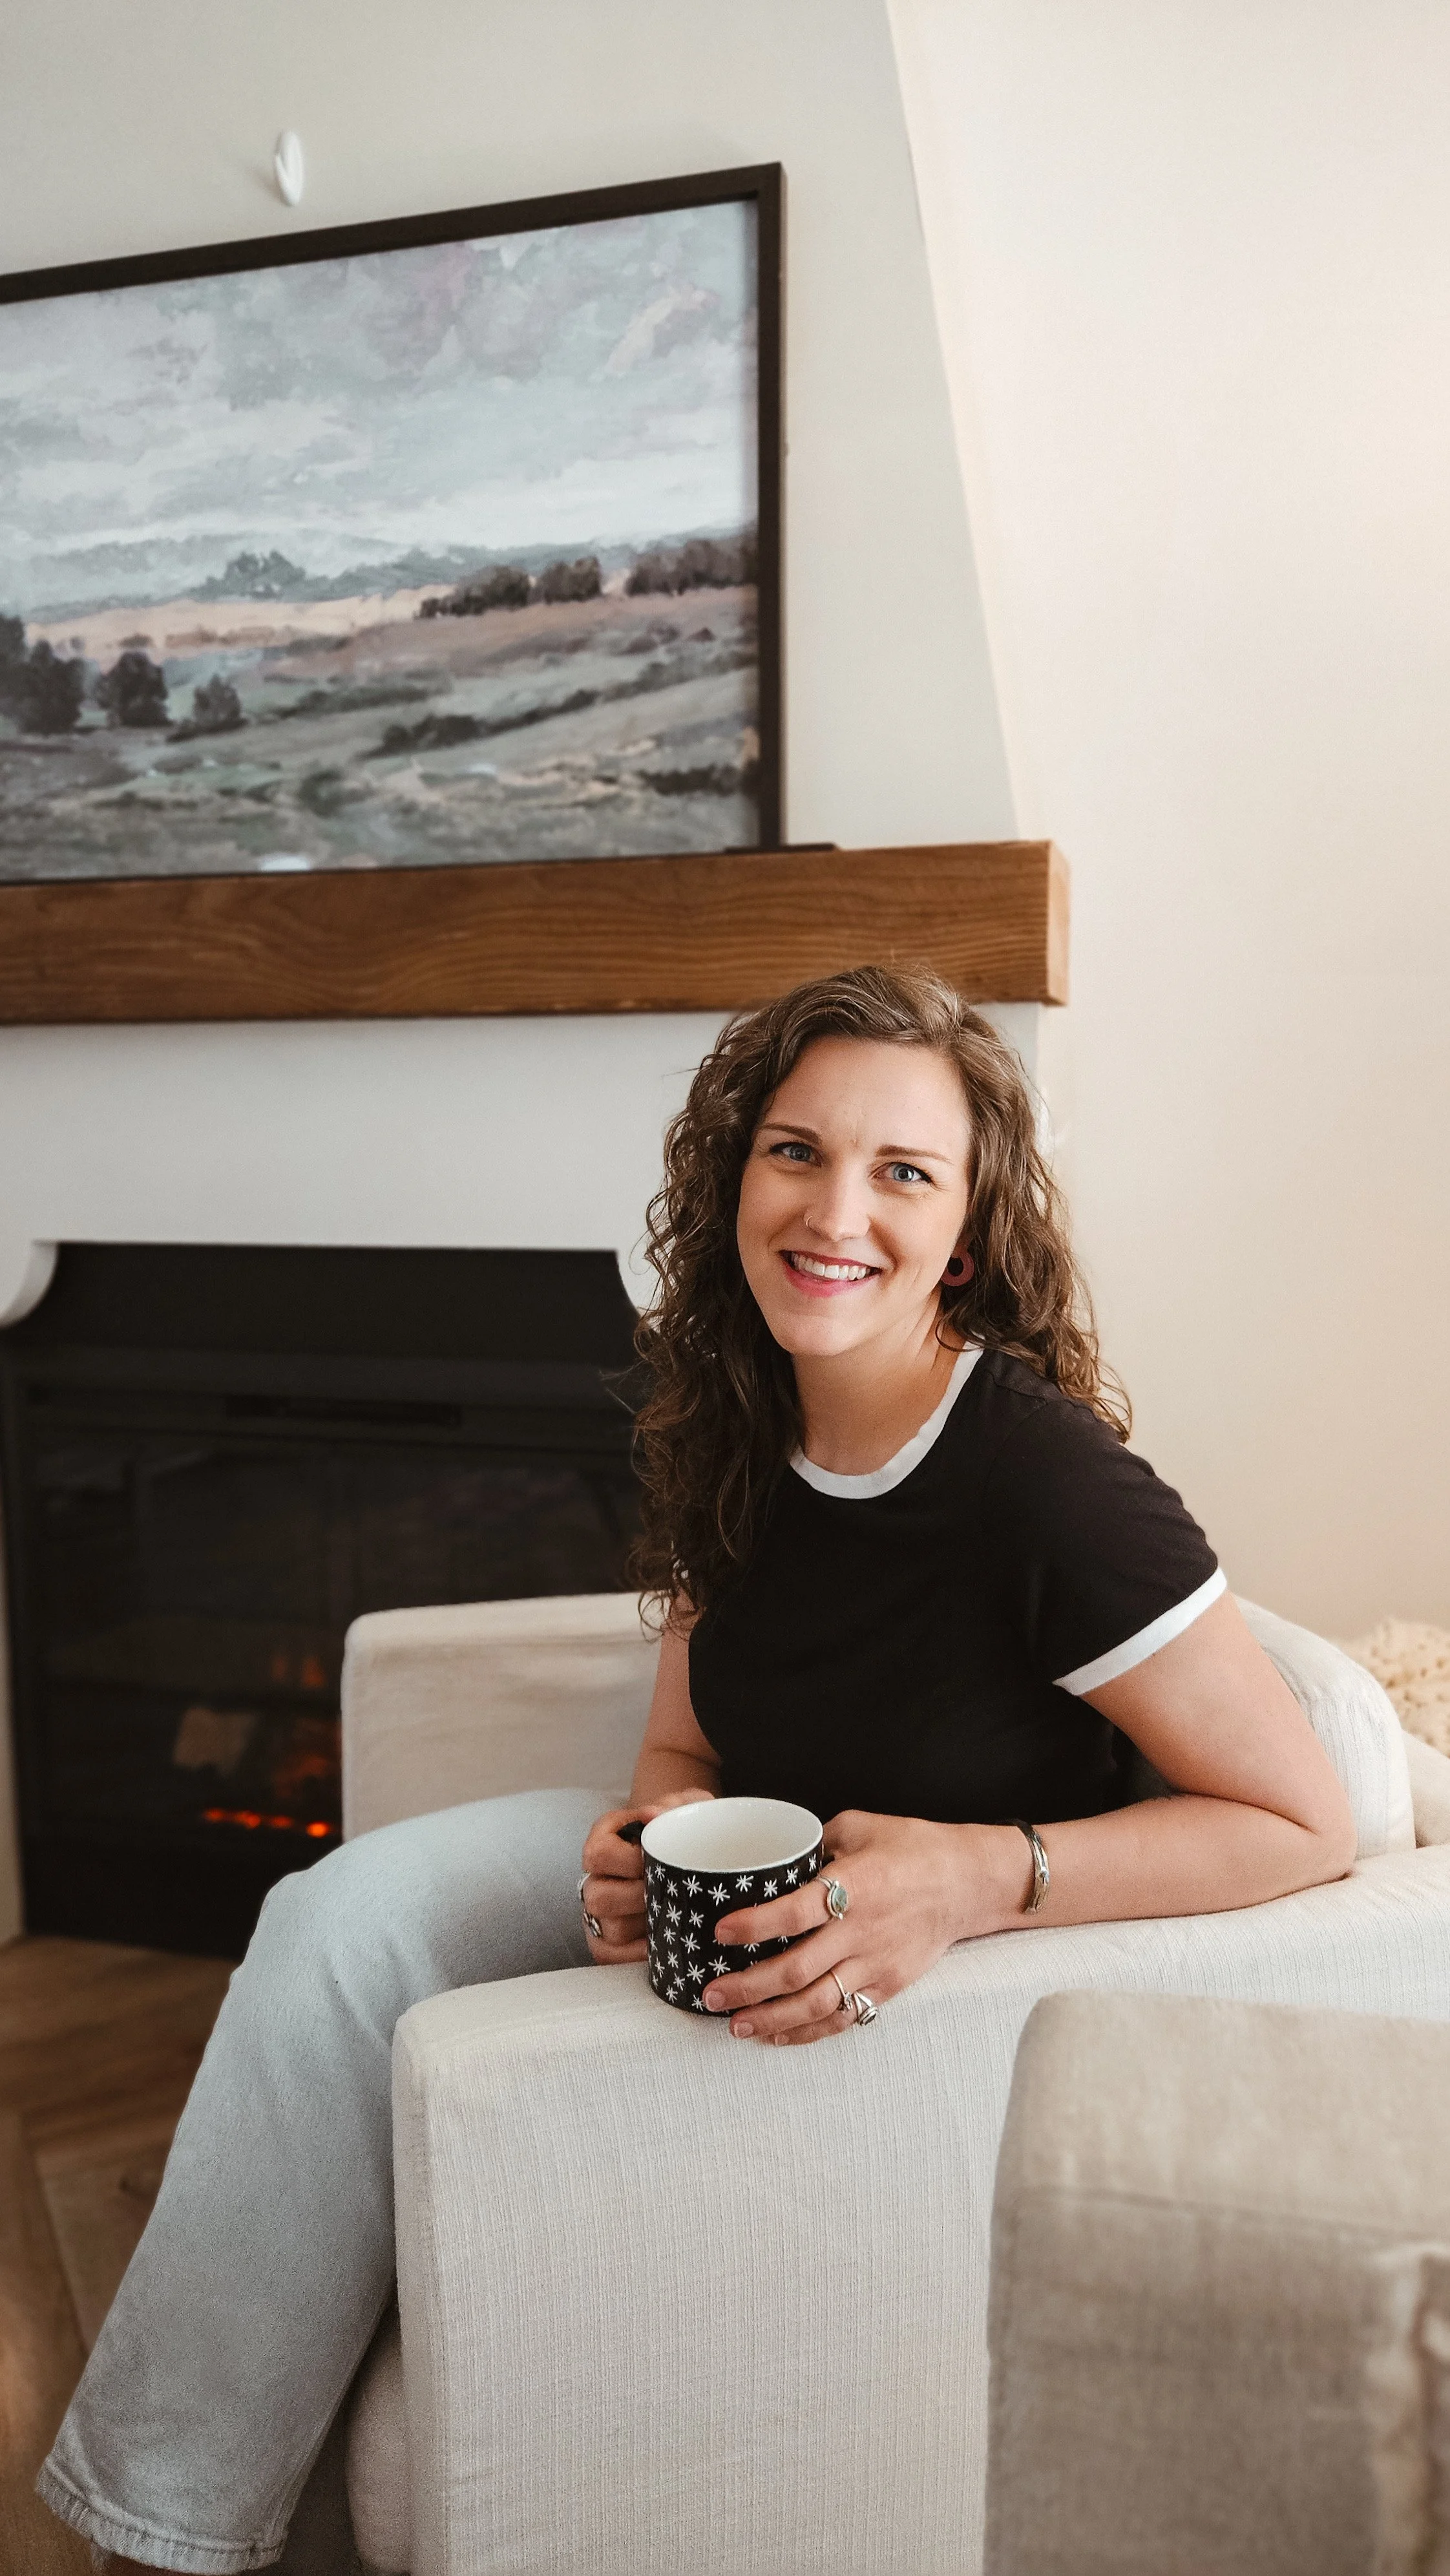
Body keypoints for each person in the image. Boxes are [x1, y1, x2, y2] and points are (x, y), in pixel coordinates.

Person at [41, 966, 1356, 2571]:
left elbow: (1308, 1818)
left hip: (915, 1977)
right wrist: (647, 1819)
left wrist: (975, 1872)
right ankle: (157, 2535)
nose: (836, 1210)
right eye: (796, 1149)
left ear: (971, 1222)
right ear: (735, 1166)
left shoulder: (1049, 1488)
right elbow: (684, 1739)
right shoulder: (734, 1410)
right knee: (338, 1920)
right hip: (726, 1893)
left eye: (903, 1172)